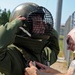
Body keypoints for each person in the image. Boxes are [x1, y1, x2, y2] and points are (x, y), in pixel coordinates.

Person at [0, 2, 59, 75]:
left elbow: (54, 49)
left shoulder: (42, 53)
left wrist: (49, 29)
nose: (43, 27)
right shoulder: (12, 54)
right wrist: (14, 25)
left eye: (43, 23)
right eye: (37, 23)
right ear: (23, 26)